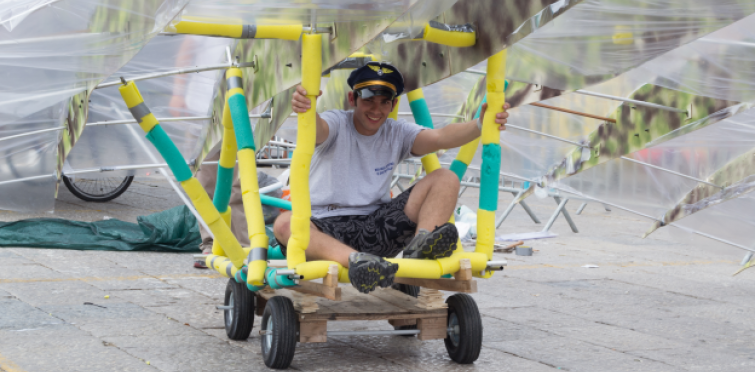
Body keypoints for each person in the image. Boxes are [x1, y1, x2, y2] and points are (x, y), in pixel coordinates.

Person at [273, 62, 509, 293]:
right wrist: (307, 109)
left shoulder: (396, 132)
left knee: (445, 178)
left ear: (394, 103)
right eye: (368, 100)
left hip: (377, 227)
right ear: (352, 99)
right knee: (284, 224)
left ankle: (420, 249)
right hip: (325, 226)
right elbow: (318, 129)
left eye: (384, 102)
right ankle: (357, 261)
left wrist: (480, 124)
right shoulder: (337, 122)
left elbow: (439, 138)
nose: (376, 110)